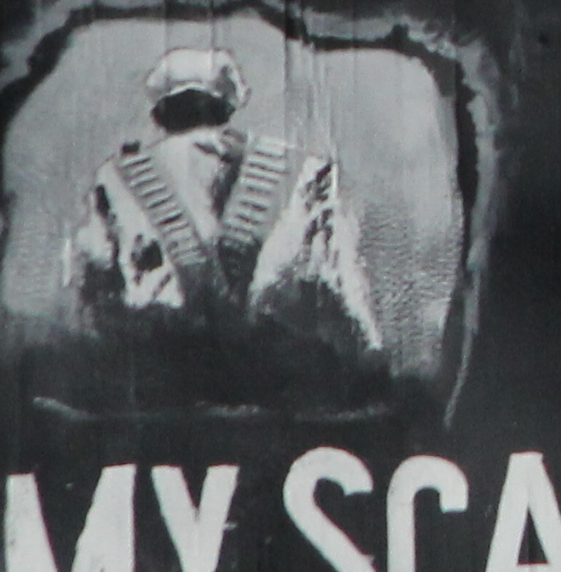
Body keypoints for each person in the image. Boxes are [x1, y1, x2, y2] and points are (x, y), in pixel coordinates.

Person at [65, 41, 377, 347]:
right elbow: (339, 282)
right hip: (277, 367)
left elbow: (93, 284)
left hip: (163, 364)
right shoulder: (307, 170)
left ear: (160, 113)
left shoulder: (117, 176)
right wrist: (369, 354)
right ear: (228, 106)